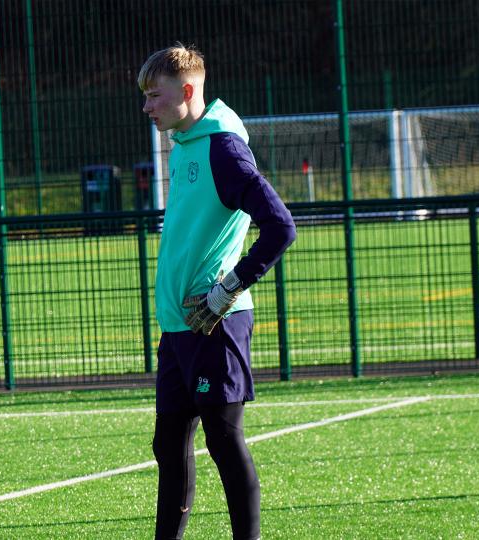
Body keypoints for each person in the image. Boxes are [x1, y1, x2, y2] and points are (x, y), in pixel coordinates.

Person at [138, 43, 297, 540]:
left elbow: (280, 226)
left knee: (224, 441)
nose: (146, 107)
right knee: (168, 445)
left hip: (216, 322)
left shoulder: (223, 148)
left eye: (155, 95)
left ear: (187, 92)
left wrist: (227, 289)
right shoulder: (184, 144)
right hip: (178, 325)